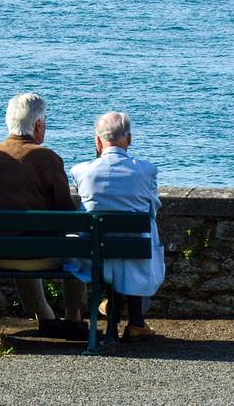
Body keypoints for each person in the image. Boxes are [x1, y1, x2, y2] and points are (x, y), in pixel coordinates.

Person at [0, 92, 87, 338]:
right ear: (37, 125)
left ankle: (45, 316)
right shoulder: (48, 158)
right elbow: (66, 213)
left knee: (16, 236)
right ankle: (73, 317)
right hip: (41, 256)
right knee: (75, 242)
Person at [70, 111, 165, 342]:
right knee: (138, 241)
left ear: (98, 140)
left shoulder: (81, 171)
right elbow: (153, 209)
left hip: (93, 255)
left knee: (114, 253)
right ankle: (135, 322)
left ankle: (115, 324)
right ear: (129, 139)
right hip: (134, 252)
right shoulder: (146, 170)